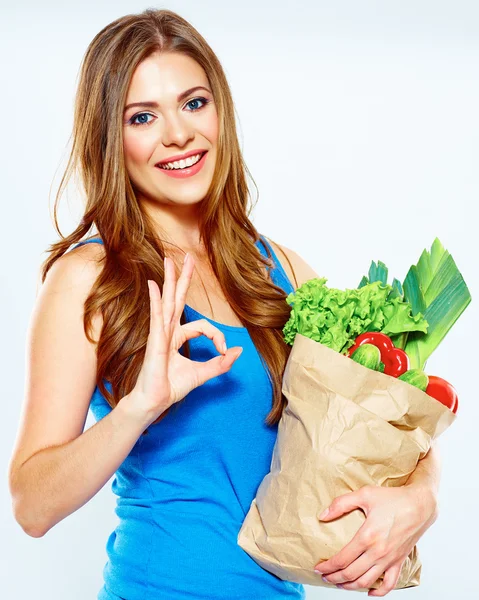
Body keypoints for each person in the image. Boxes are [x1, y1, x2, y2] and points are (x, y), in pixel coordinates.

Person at [8, 8, 318, 600]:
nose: (178, 133)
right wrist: (138, 408)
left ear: (220, 112)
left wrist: (420, 495)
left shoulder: (278, 268)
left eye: (194, 103)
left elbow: (392, 401)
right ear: (111, 138)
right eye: (143, 117)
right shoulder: (90, 277)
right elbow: (30, 505)